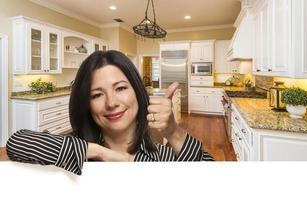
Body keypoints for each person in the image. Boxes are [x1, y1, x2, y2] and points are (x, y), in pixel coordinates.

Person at [5, 50, 214, 175]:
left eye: (120, 88)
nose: (111, 103)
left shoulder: (161, 157)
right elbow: (17, 143)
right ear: (86, 104)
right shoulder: (74, 153)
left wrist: (173, 131)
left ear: (137, 92)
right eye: (97, 95)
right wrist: (102, 153)